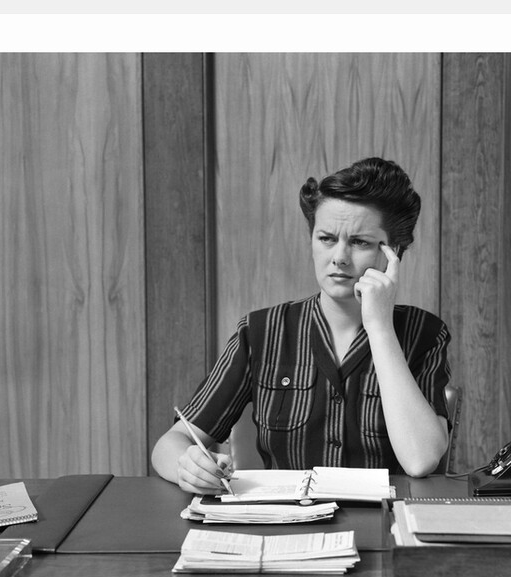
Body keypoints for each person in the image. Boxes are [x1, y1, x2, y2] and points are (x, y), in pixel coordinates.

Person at [151, 157, 452, 494]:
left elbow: (421, 460)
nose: (339, 257)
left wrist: (379, 327)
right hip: (287, 528)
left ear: (392, 252)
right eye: (326, 238)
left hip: (387, 528)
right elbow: (171, 442)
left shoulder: (425, 333)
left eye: (360, 242)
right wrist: (188, 465)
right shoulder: (261, 332)